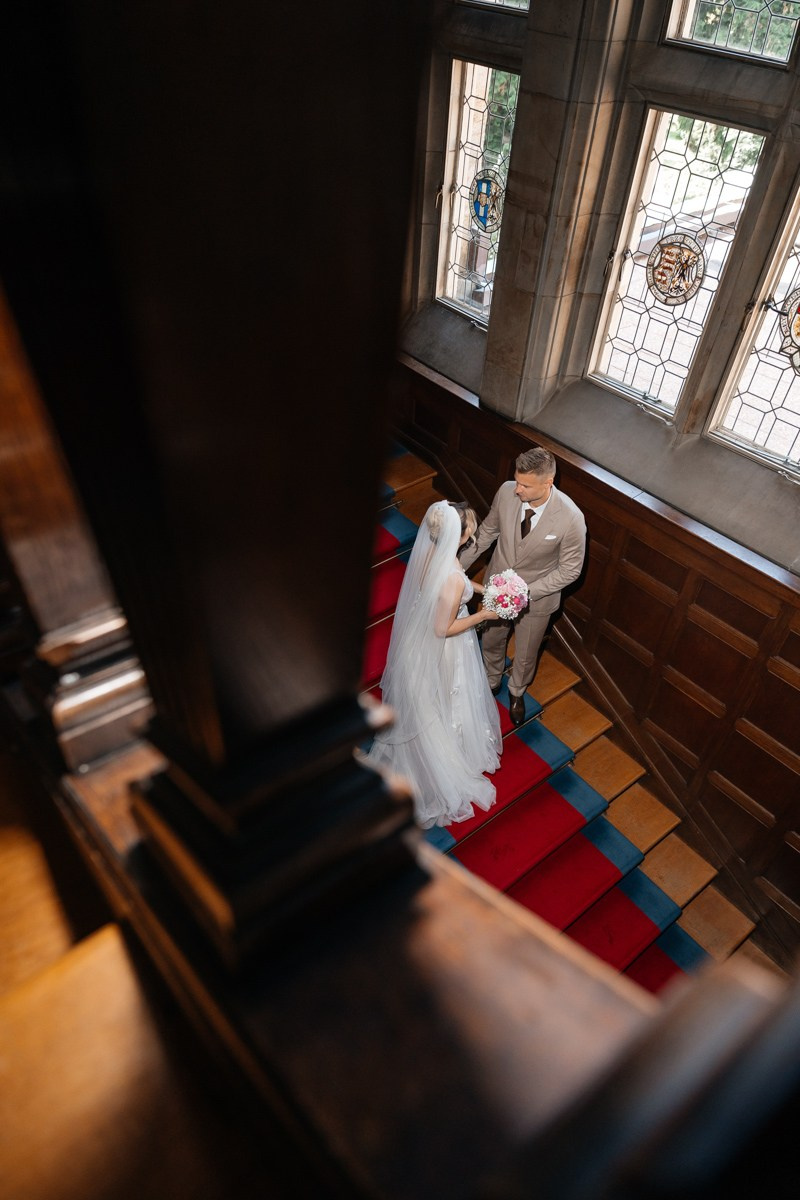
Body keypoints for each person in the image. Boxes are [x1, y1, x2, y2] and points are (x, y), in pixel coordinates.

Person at [366, 500, 503, 829]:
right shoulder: (453, 578)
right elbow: (443, 629)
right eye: (469, 525)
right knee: (444, 698)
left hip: (419, 640)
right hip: (444, 646)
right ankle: (439, 761)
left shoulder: (431, 552)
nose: (473, 529)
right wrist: (484, 614)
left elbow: (456, 586)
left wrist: (485, 589)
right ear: (460, 535)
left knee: (430, 700)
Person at [459, 447, 586, 727]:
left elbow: (570, 570)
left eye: (526, 485)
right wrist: (456, 568)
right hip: (495, 586)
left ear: (548, 482)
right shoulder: (506, 491)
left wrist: (523, 594)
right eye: (517, 481)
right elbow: (487, 533)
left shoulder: (571, 518)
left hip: (537, 600)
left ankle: (517, 691)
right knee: (492, 638)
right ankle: (492, 679)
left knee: (527, 652)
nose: (517, 490)